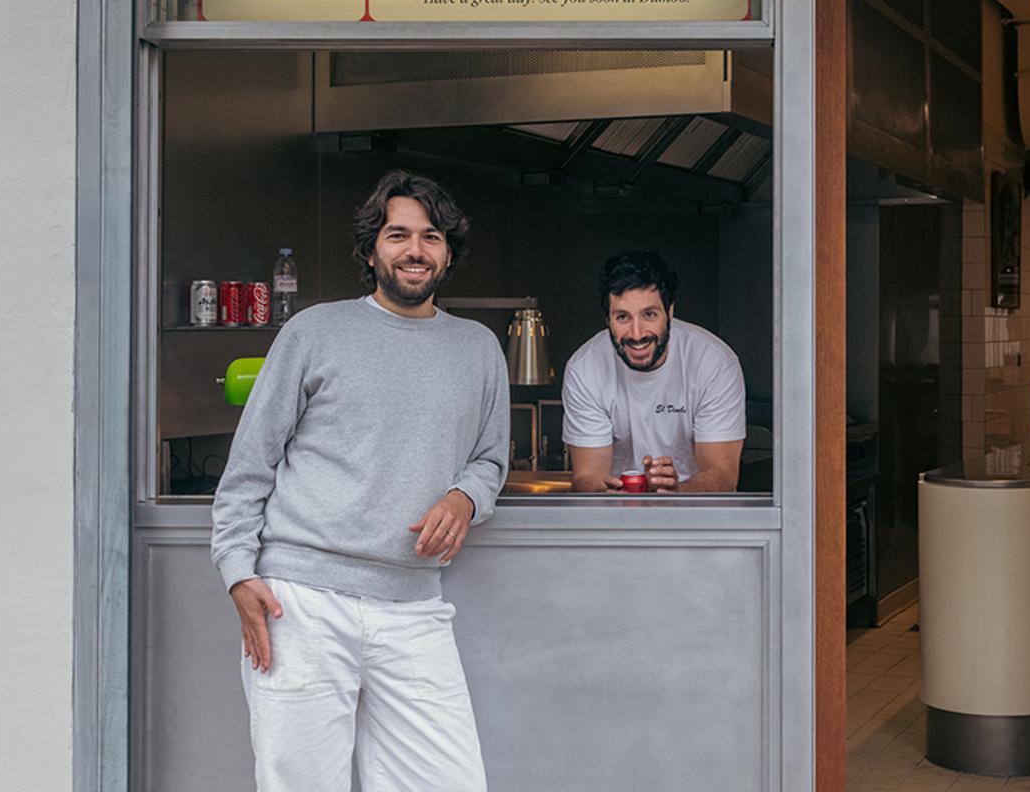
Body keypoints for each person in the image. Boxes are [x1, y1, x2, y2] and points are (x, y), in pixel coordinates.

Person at [210, 169, 508, 792]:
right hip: (301, 603)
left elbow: (489, 458)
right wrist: (238, 572)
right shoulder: (314, 331)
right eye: (398, 234)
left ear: (449, 251)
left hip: (414, 606)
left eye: (430, 236)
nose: (415, 250)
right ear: (372, 248)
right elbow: (249, 465)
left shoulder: (478, 348)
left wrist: (465, 496)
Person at [563, 250, 745, 493]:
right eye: (622, 317)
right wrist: (607, 492)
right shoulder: (585, 368)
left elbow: (723, 476)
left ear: (669, 312)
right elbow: (588, 475)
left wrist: (677, 491)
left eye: (649, 315)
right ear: (607, 319)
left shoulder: (713, 362)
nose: (637, 334)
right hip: (615, 518)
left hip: (699, 518)